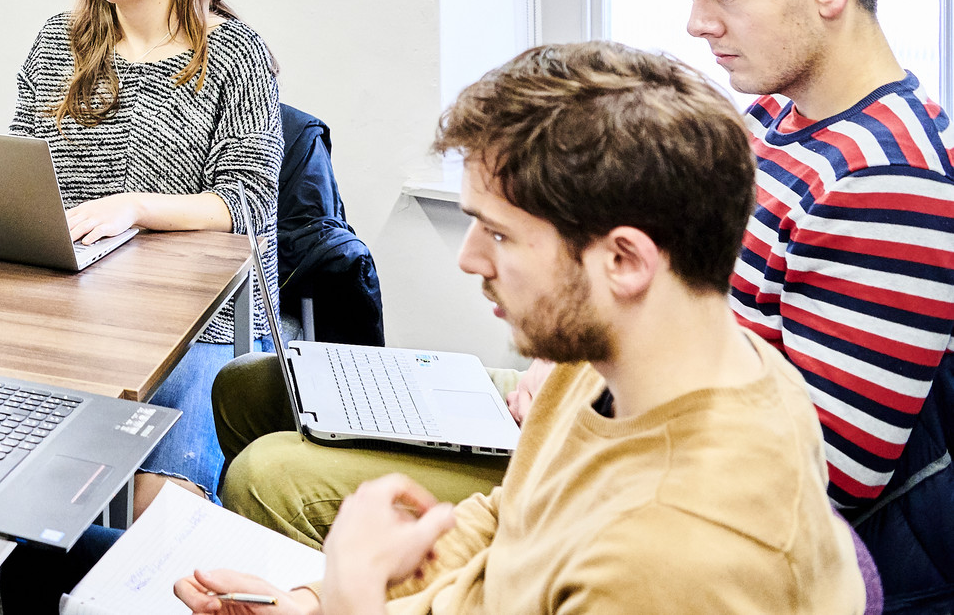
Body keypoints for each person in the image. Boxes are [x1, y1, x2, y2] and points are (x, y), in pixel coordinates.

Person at [212, 0, 953, 612]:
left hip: (665, 422)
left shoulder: (886, 180)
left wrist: (594, 382)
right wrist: (579, 376)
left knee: (271, 470)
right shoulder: (776, 112)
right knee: (255, 386)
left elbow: (836, 469)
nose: (697, 24)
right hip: (630, 381)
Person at [157, 42, 861, 615]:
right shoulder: (609, 361)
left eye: (495, 235)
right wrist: (310, 601)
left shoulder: (669, 555)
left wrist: (351, 600)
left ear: (624, 261)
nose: (468, 260)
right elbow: (507, 521)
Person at [8, 0, 281, 507]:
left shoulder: (234, 52)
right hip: (67, 300)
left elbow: (245, 201)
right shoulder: (57, 42)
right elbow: (15, 173)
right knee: (15, 472)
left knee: (160, 498)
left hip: (199, 319)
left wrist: (131, 206)